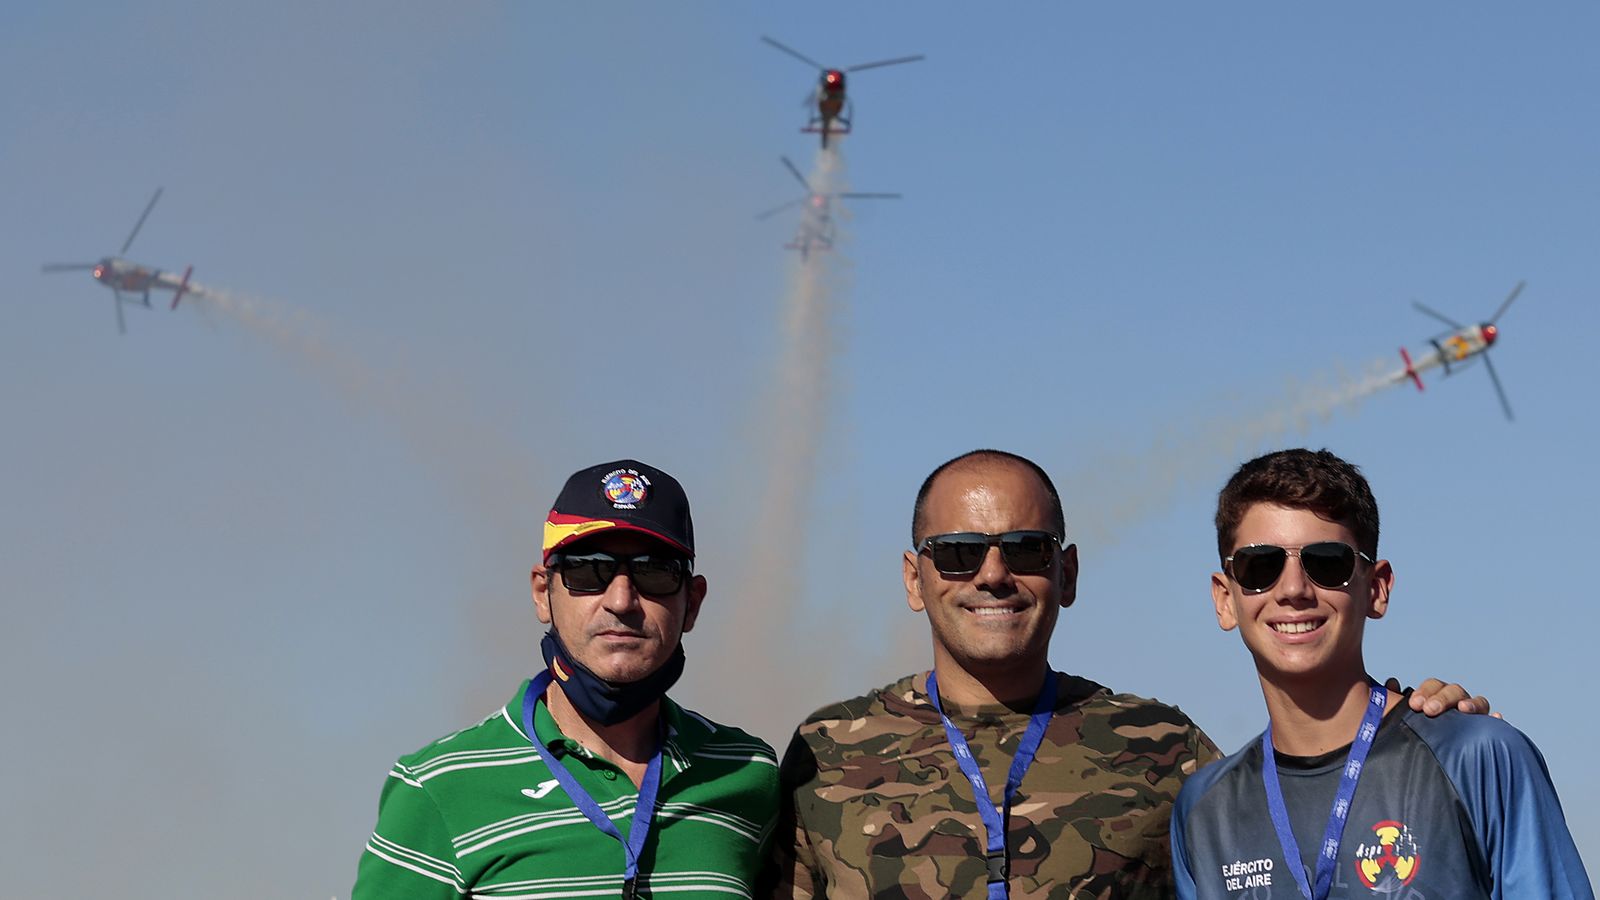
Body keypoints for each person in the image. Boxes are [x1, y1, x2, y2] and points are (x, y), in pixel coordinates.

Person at [766, 449, 1490, 899]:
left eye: (1025, 548)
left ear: (1067, 571)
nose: (992, 575)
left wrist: (1402, 722)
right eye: (957, 552)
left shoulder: (1162, 747)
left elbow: (1298, 805)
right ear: (914, 577)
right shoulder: (826, 751)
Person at [1171, 448, 1592, 898]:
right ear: (1224, 598)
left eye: (1327, 562)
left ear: (1376, 587)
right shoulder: (1202, 811)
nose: (1293, 589)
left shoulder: (1478, 758)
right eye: (1261, 566)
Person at [354, 459, 779, 900]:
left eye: (655, 571)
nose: (621, 600)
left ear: (692, 602)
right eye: (587, 570)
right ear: (543, 593)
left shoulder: (748, 774)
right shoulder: (438, 785)